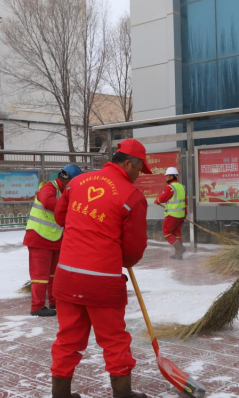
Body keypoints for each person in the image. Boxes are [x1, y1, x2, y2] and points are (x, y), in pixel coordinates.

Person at [50, 139, 152, 398]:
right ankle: (123, 394)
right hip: (102, 282)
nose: (139, 176)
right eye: (139, 169)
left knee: (67, 338)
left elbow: (60, 216)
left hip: (67, 275)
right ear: (128, 163)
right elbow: (133, 250)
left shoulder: (77, 182)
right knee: (114, 339)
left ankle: (60, 395)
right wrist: (123, 258)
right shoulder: (132, 197)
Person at [23, 164, 83, 317]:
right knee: (40, 275)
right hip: (39, 237)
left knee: (54, 275)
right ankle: (37, 307)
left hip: (54, 239)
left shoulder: (66, 192)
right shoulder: (49, 188)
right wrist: (69, 208)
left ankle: (54, 302)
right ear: (66, 179)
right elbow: (48, 202)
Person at [154, 167, 187, 260]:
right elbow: (185, 201)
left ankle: (180, 248)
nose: (166, 178)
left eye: (167, 176)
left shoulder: (170, 187)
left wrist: (157, 200)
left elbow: (163, 198)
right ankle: (178, 254)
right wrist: (185, 214)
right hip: (181, 215)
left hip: (172, 215)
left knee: (167, 232)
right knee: (177, 233)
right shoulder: (181, 186)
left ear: (172, 176)